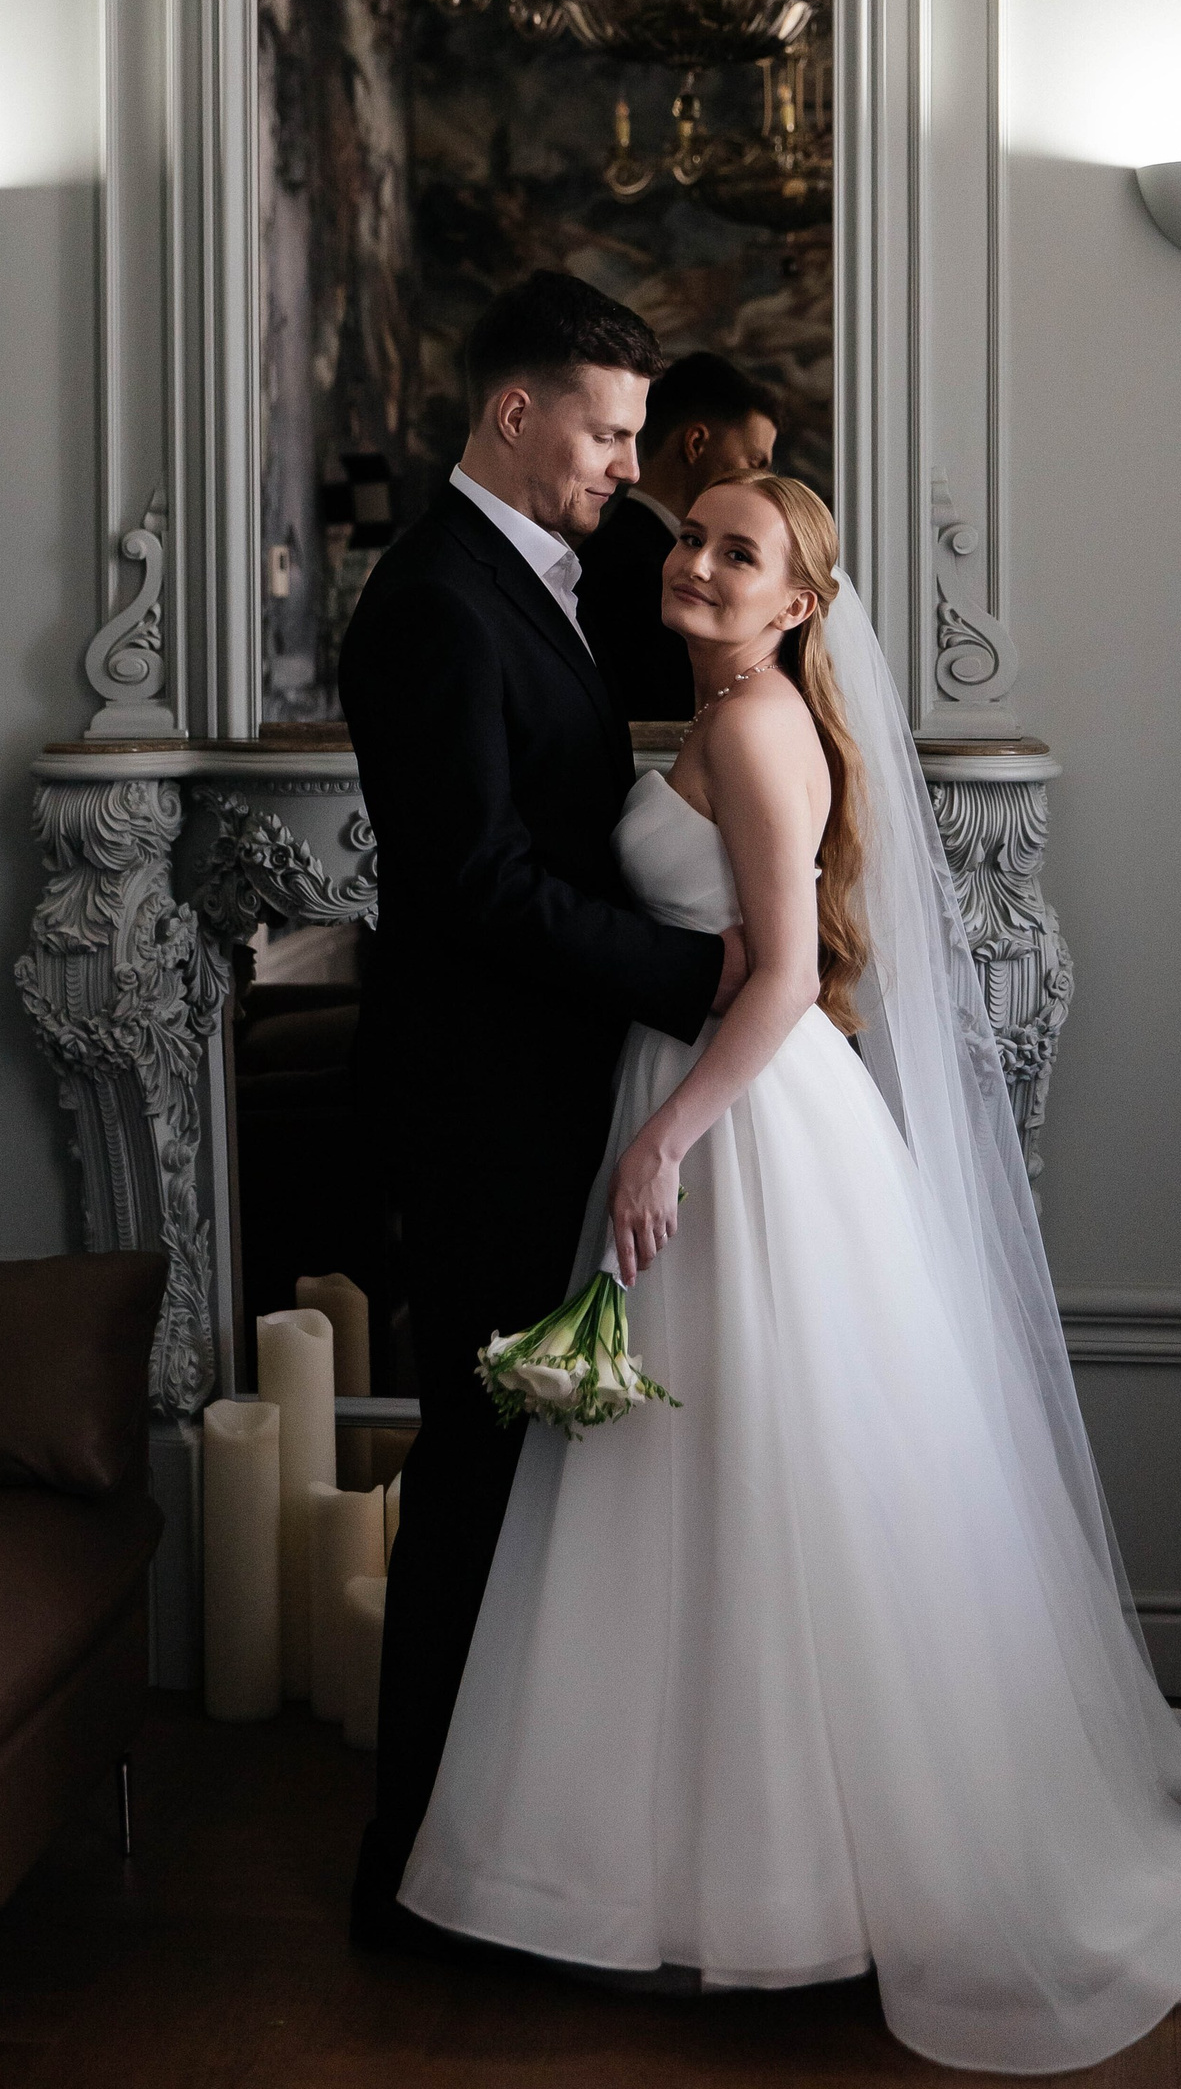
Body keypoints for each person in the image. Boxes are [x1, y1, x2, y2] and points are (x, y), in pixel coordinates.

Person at [399, 471, 1181, 2072]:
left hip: (744, 1124)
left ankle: (789, 1889)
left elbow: (782, 981)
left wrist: (665, 1139)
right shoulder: (722, 712)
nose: (697, 564)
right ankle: (684, 1878)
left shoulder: (760, 731)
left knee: (769, 1482)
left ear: (796, 604)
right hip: (710, 1103)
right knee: (697, 1490)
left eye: (739, 554)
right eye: (695, 538)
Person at [337, 270, 748, 1951]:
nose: (631, 467)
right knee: (482, 1472)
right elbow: (482, 887)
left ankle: (532, 1840)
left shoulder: (561, 570)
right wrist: (703, 975)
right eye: (608, 433)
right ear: (515, 414)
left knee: (549, 1478)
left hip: (566, 1088)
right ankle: (410, 1874)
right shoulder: (432, 604)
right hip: (485, 1113)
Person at [576, 351, 779, 720]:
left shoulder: (611, 551)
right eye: (754, 462)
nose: (762, 482)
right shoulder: (635, 569)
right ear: (695, 444)